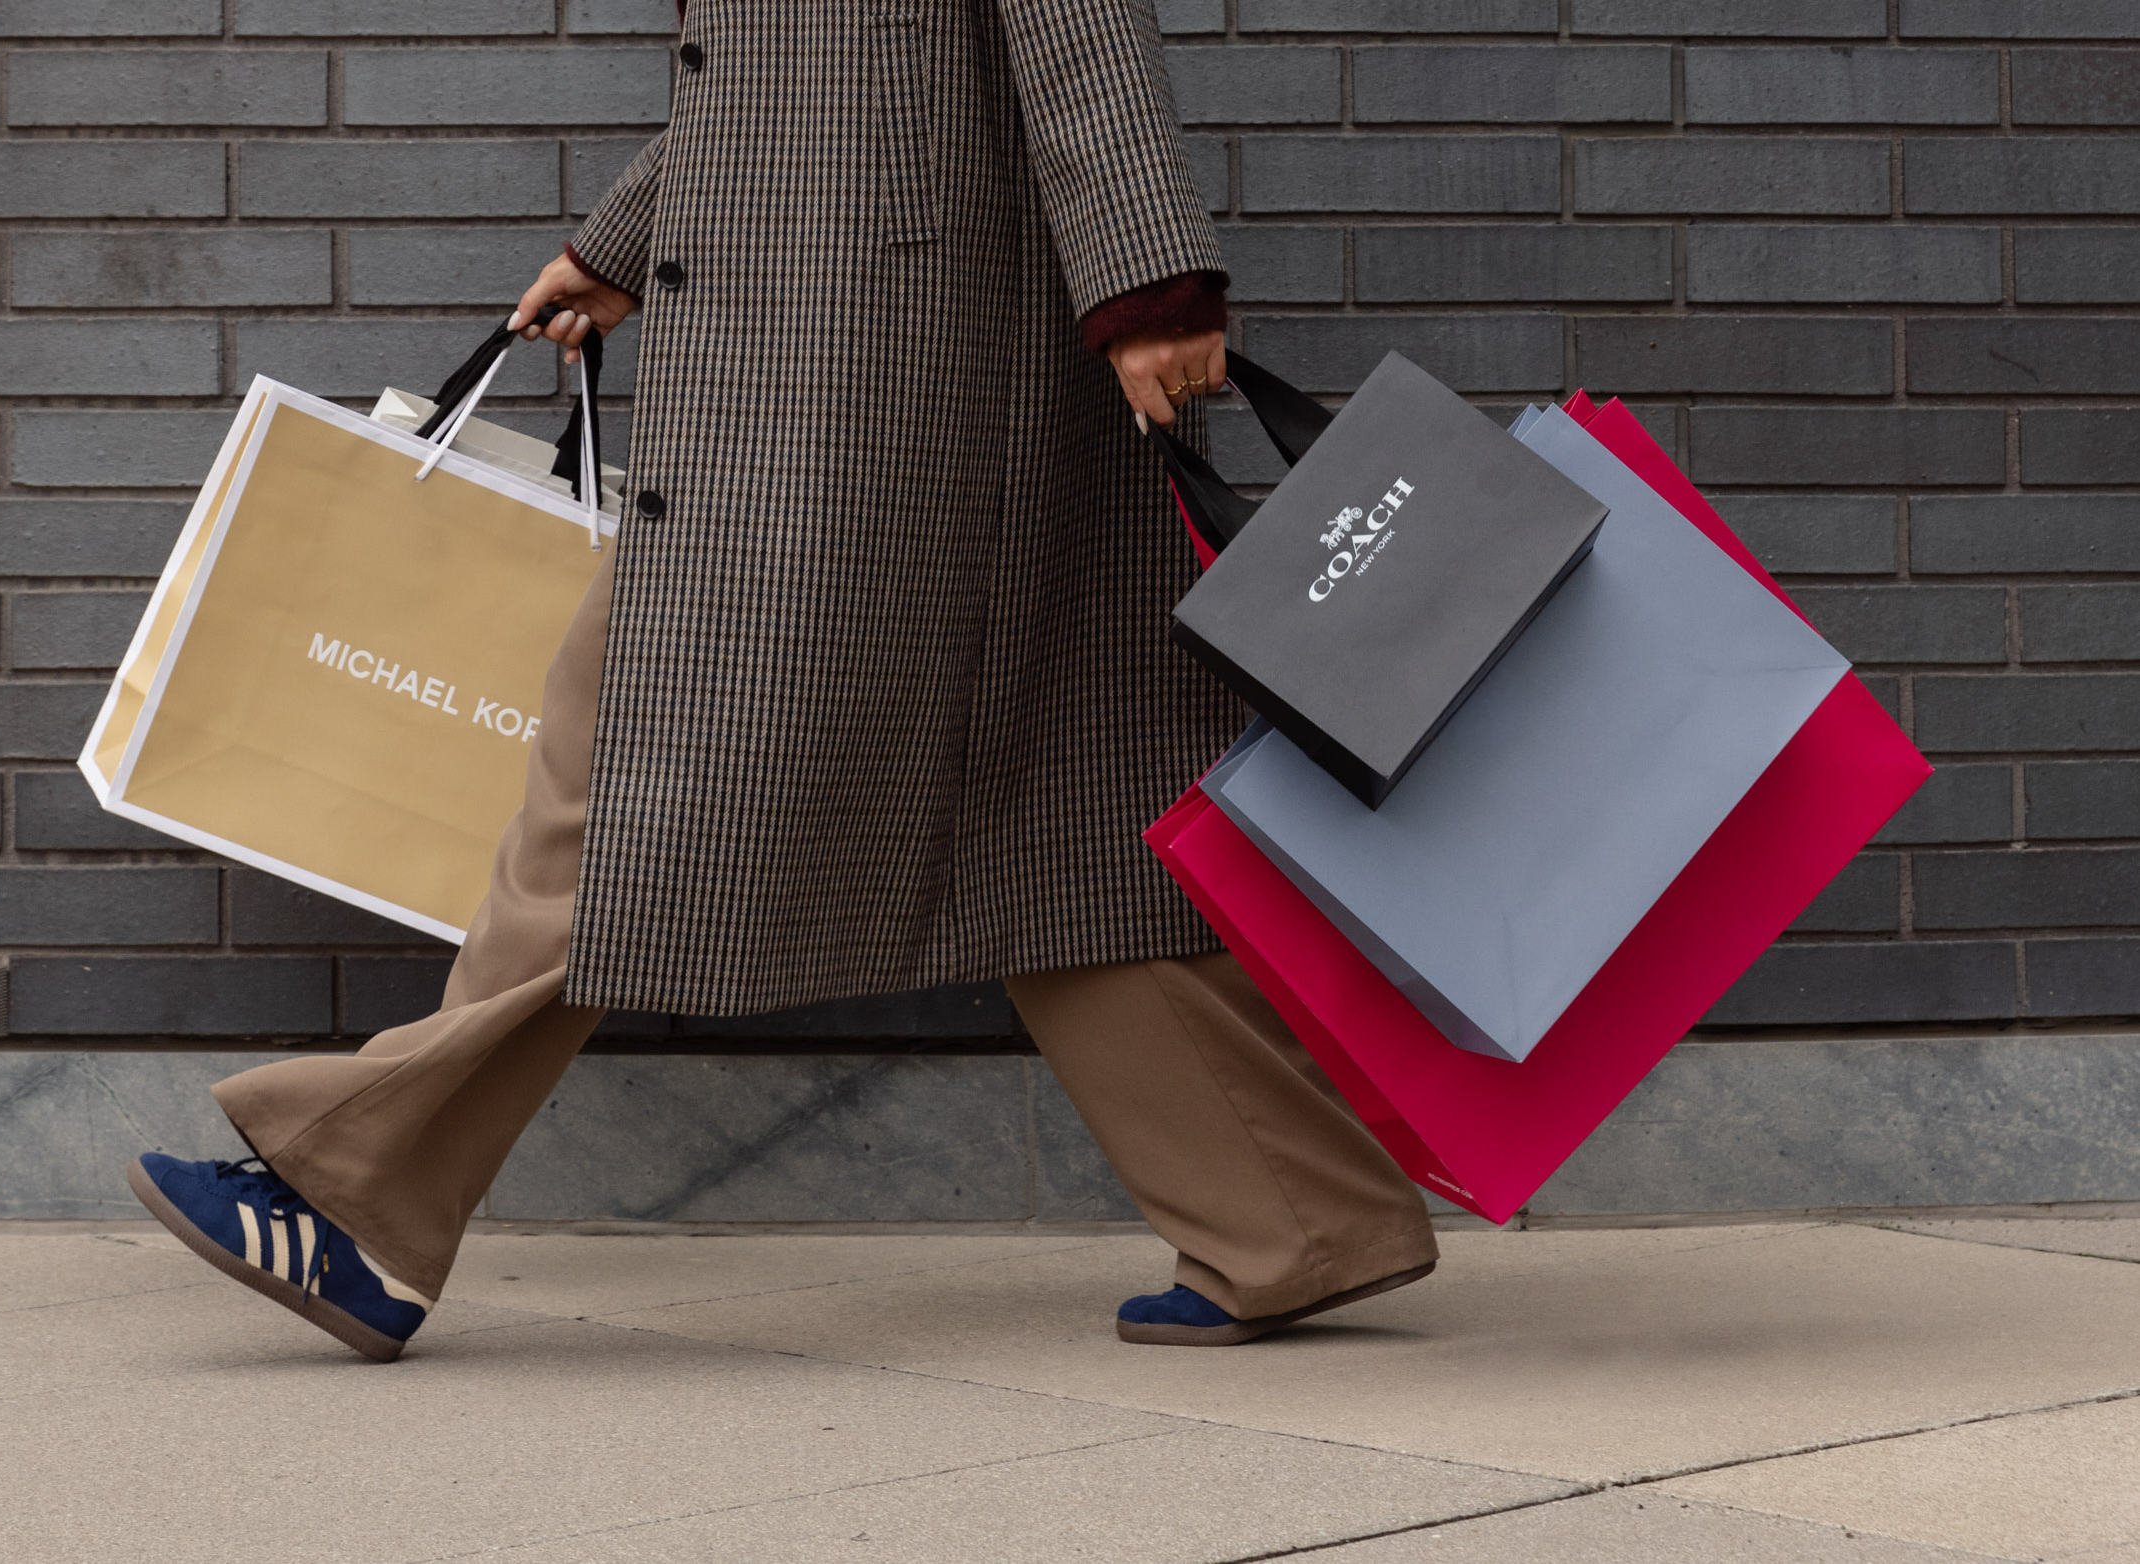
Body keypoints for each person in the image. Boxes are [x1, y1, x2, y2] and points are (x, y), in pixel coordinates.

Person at [128, 1, 1436, 1362]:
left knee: (643, 774)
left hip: (880, 373)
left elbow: (1079, 29)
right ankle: (1292, 1219)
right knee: (1041, 799)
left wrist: (1152, 287)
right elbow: (785, 75)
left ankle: (358, 1201)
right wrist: (622, 242)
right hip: (861, 354)